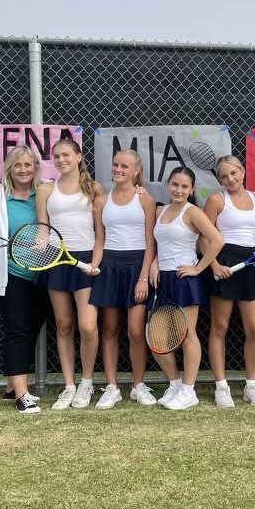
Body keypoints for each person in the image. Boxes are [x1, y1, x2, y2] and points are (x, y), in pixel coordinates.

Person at [0, 146, 49, 415]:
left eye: (29, 164)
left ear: (36, 167)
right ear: (9, 169)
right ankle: (22, 394)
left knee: (31, 329)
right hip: (12, 275)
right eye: (18, 165)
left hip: (45, 274)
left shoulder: (46, 194)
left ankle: (11, 385)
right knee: (17, 330)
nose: (24, 170)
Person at [36, 138, 103, 410]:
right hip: (56, 261)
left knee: (87, 326)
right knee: (63, 325)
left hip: (86, 260)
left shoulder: (94, 189)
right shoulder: (45, 190)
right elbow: (43, 227)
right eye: (56, 156)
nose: (61, 160)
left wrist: (96, 262)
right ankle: (69, 386)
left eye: (66, 155)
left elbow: (101, 234)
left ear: (78, 156)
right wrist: (40, 242)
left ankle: (86, 383)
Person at [150, 167, 224, 411]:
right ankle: (175, 384)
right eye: (175, 184)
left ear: (192, 190)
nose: (178, 190)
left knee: (187, 335)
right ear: (168, 185)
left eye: (184, 186)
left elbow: (216, 240)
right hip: (163, 279)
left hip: (185, 278)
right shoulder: (159, 211)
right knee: (158, 337)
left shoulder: (192, 212)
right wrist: (154, 263)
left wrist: (199, 268)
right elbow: (160, 244)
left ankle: (189, 391)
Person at [88, 150, 158, 409]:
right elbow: (99, 240)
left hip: (136, 267)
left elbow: (151, 242)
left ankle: (138, 385)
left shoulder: (145, 200)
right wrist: (95, 265)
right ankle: (112, 386)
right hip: (110, 267)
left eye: (124, 166)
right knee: (109, 329)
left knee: (136, 331)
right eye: (115, 164)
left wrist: (142, 278)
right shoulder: (101, 200)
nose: (118, 169)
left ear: (136, 170)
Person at [205, 155, 255, 407]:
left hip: (250, 265)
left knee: (254, 329)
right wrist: (214, 265)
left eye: (233, 173)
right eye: (223, 176)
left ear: (242, 171)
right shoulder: (216, 200)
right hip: (223, 262)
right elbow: (204, 237)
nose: (230, 179)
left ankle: (251, 385)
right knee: (219, 328)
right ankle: (221, 386)